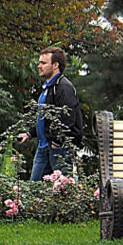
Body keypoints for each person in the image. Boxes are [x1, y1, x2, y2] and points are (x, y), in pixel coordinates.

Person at [17, 46, 84, 181]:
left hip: (59, 148)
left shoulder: (64, 87)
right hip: (44, 146)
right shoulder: (48, 88)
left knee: (63, 189)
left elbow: (68, 118)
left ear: (55, 65)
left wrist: (57, 142)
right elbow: (44, 118)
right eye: (39, 63)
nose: (39, 66)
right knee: (35, 189)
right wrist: (30, 133)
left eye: (43, 63)